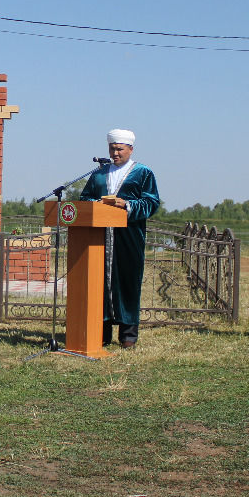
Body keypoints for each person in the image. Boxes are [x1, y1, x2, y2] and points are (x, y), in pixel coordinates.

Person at [79, 128, 161, 347]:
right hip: (99, 237)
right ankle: (101, 333)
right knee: (100, 283)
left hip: (129, 237)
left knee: (127, 282)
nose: (115, 153)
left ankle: (128, 335)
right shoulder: (98, 174)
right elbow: (85, 198)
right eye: (112, 149)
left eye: (119, 149)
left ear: (130, 149)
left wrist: (127, 204)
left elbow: (152, 202)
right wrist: (98, 205)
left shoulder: (143, 173)